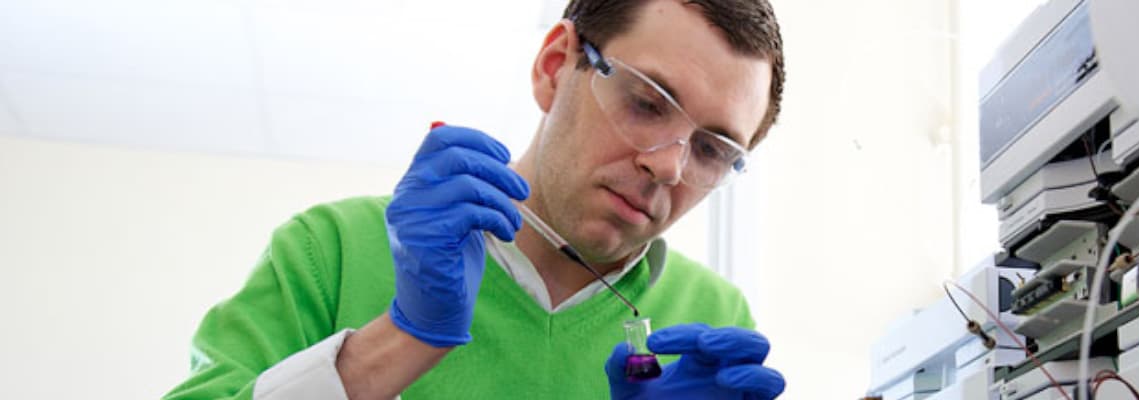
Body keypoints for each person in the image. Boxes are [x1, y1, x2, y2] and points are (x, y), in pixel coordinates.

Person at [164, 0, 787, 398]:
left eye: (710, 150)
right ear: (553, 66)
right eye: (646, 102)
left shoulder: (712, 322)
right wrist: (401, 340)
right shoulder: (333, 251)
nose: (667, 165)